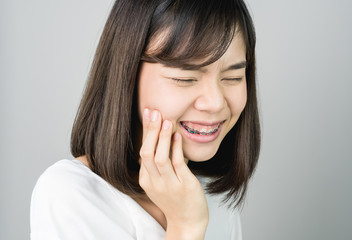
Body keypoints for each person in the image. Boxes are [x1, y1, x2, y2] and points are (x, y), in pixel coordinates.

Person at [30, 0, 260, 239]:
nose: (215, 103)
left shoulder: (215, 198)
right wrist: (186, 226)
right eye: (185, 78)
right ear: (127, 77)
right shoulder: (69, 193)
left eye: (233, 77)